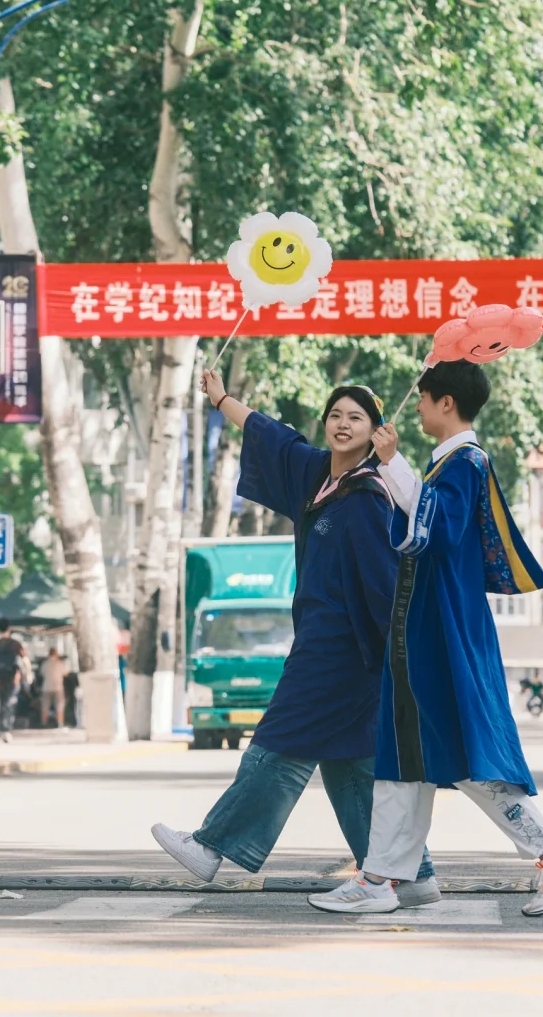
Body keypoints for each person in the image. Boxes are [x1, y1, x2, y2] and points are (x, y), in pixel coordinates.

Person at [151, 370, 439, 908]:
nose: (342, 424)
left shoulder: (372, 498)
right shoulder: (317, 476)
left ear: (377, 431)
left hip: (344, 651)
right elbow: (270, 434)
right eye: (335, 415)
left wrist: (398, 661)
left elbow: (383, 587)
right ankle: (412, 874)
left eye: (357, 417)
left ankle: (211, 846)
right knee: (351, 766)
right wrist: (220, 399)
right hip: (321, 640)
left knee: (280, 743)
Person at [319, 359, 543, 919]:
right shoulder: (450, 463)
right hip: (426, 630)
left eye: (423, 398)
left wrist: (393, 465)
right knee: (408, 755)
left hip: (441, 634)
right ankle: (379, 878)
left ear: (446, 403)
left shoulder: (465, 463)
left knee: (463, 755)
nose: (417, 407)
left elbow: (436, 529)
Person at [0, 619, 30, 743]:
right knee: (9, 702)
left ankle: (4, 729)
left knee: (3, 702)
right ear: (9, 628)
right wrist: (28, 674)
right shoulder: (15, 644)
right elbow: (25, 659)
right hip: (13, 678)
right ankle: (6, 729)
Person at [40, 648, 68, 728]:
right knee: (59, 705)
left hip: (46, 687)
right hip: (58, 687)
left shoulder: (45, 663)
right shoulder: (60, 663)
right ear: (56, 654)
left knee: (45, 705)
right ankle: (60, 723)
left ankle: (44, 723)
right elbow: (65, 674)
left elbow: (42, 673)